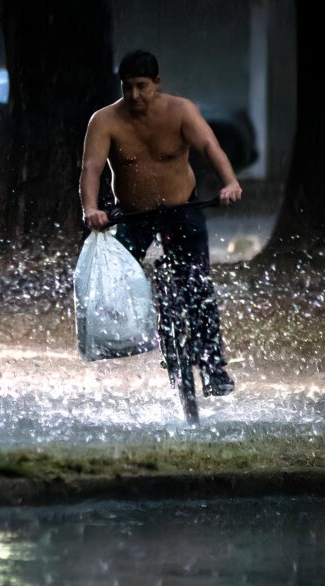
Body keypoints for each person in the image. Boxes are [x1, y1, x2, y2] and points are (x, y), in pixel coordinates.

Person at [79, 49, 241, 409]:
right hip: (133, 216)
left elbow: (210, 146)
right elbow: (91, 168)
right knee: (115, 278)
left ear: (157, 83)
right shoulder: (104, 120)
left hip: (182, 209)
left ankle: (214, 369)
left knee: (198, 286)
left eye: (142, 87)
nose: (135, 96)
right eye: (127, 88)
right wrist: (91, 209)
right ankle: (149, 336)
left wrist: (229, 182)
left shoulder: (181, 111)